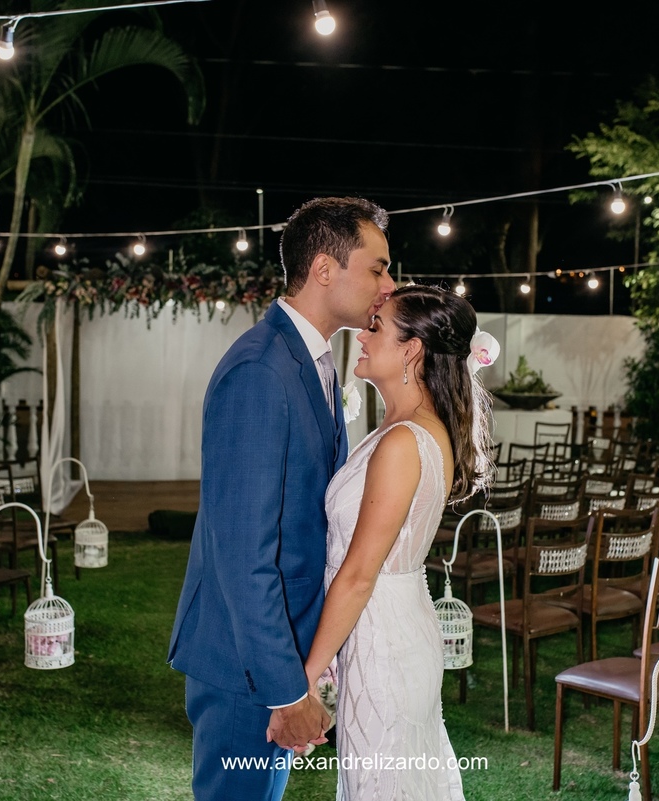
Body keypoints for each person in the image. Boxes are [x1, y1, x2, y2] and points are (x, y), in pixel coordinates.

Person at [168, 196, 396, 800]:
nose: (389, 284)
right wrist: (286, 690)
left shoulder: (311, 362)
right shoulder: (260, 371)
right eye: (377, 268)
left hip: (281, 653)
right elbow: (245, 554)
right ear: (325, 269)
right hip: (249, 667)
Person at [302, 284, 497, 800]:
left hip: (382, 641)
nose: (362, 337)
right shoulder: (408, 429)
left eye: (376, 328)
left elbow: (359, 573)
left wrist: (305, 679)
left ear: (411, 350)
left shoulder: (402, 441)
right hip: (394, 625)